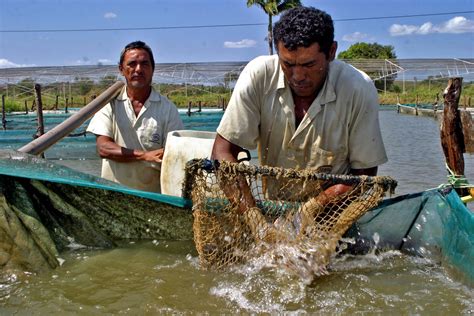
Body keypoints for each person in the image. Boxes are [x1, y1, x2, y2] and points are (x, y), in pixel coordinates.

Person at [212, 6, 387, 211]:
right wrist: (254, 218)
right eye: (288, 64)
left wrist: (310, 210)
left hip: (332, 212)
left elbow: (364, 174)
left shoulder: (357, 88)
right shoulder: (258, 76)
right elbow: (222, 152)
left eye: (309, 64)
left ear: (331, 52)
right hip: (272, 207)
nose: (298, 76)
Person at [87, 40, 183, 193]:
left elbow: (175, 152)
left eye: (145, 64)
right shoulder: (109, 104)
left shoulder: (167, 109)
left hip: (154, 197)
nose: (138, 69)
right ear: (121, 69)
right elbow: (103, 148)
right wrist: (144, 156)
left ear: (152, 69)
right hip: (114, 194)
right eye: (132, 64)